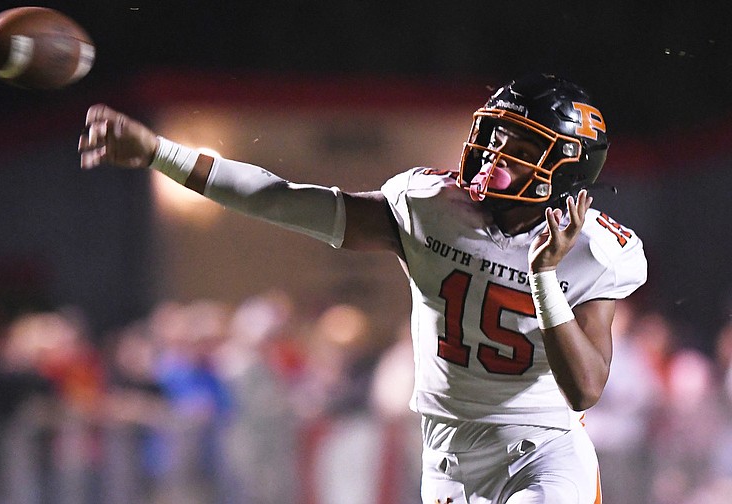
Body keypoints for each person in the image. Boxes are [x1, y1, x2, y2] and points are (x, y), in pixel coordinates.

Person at [78, 73, 647, 503]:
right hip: (446, 450)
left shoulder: (597, 251)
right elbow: (283, 199)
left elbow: (586, 388)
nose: (495, 154)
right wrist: (160, 153)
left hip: (542, 450)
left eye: (520, 149)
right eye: (496, 136)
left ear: (567, 172)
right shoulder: (431, 207)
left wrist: (543, 276)